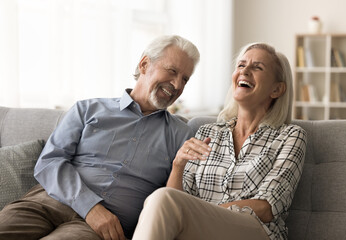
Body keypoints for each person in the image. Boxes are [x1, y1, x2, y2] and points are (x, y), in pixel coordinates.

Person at [0, 35, 200, 240]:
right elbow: (49, 162)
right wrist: (90, 208)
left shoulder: (182, 135)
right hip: (46, 202)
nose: (177, 84)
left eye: (185, 79)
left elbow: (176, 204)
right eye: (172, 71)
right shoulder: (87, 109)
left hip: (105, 228)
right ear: (144, 64)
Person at [131, 43, 307, 240]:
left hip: (256, 231)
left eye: (257, 67)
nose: (245, 71)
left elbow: (267, 207)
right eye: (240, 65)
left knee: (164, 199)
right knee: (161, 199)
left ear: (277, 89)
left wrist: (200, 213)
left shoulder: (290, 136)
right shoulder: (208, 133)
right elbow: (177, 199)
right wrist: (178, 165)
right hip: (200, 231)